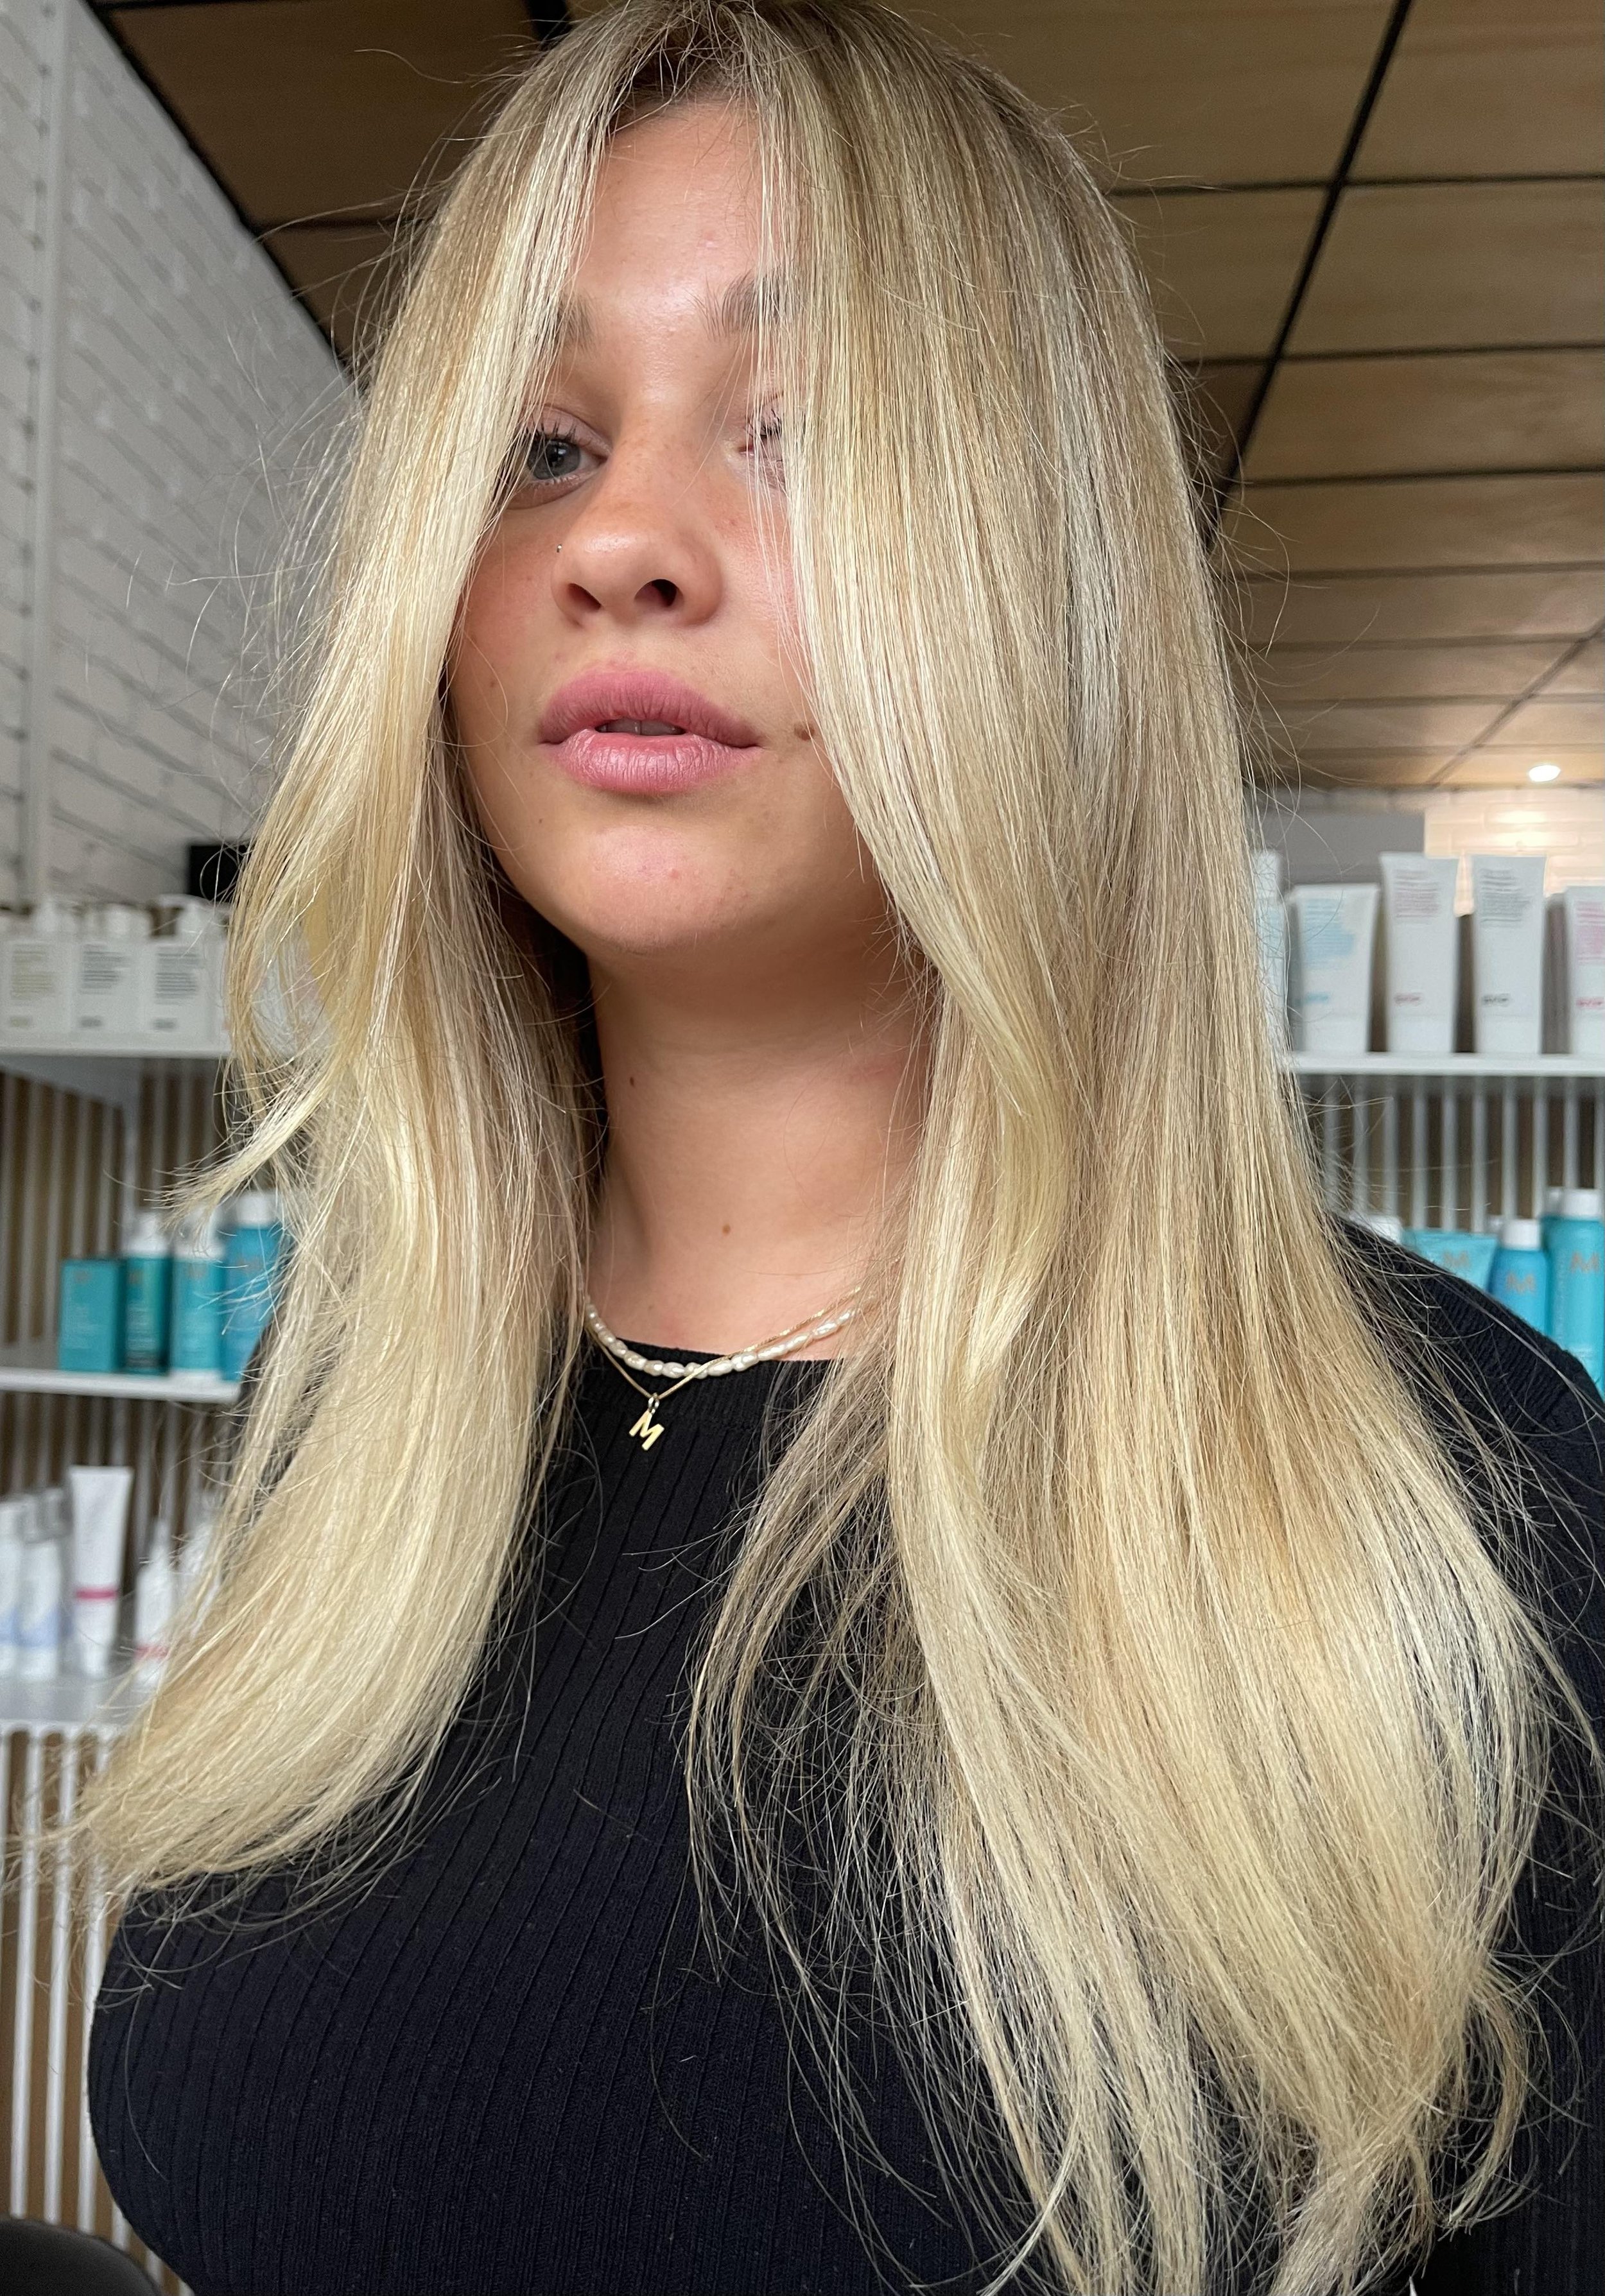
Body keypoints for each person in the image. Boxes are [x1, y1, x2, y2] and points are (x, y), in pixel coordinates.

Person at [81, 4, 1601, 2292]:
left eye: (802, 434)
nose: (622, 539)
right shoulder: (360, 1385)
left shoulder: (1441, 1479)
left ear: (1055, 590)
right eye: (540, 438)